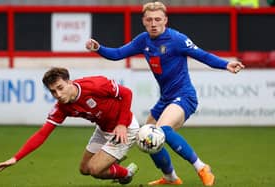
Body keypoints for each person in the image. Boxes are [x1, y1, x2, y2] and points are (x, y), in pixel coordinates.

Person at [85, 1, 245, 186]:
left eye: (158, 19)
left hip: (184, 96)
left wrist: (226, 64)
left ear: (165, 21)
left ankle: (202, 167)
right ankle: (170, 177)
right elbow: (118, 53)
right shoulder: (143, 40)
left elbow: (202, 55)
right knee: (145, 137)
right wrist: (98, 48)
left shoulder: (177, 39)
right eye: (149, 19)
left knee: (161, 131)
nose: (154, 23)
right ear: (144, 21)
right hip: (166, 99)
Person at [0, 67, 140, 185]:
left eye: (60, 87)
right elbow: (42, 134)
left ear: (69, 82)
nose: (58, 94)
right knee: (84, 169)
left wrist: (121, 124)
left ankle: (124, 170)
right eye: (53, 91)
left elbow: (127, 93)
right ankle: (120, 169)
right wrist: (15, 158)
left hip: (124, 128)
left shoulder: (95, 85)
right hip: (103, 129)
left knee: (95, 169)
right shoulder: (62, 107)